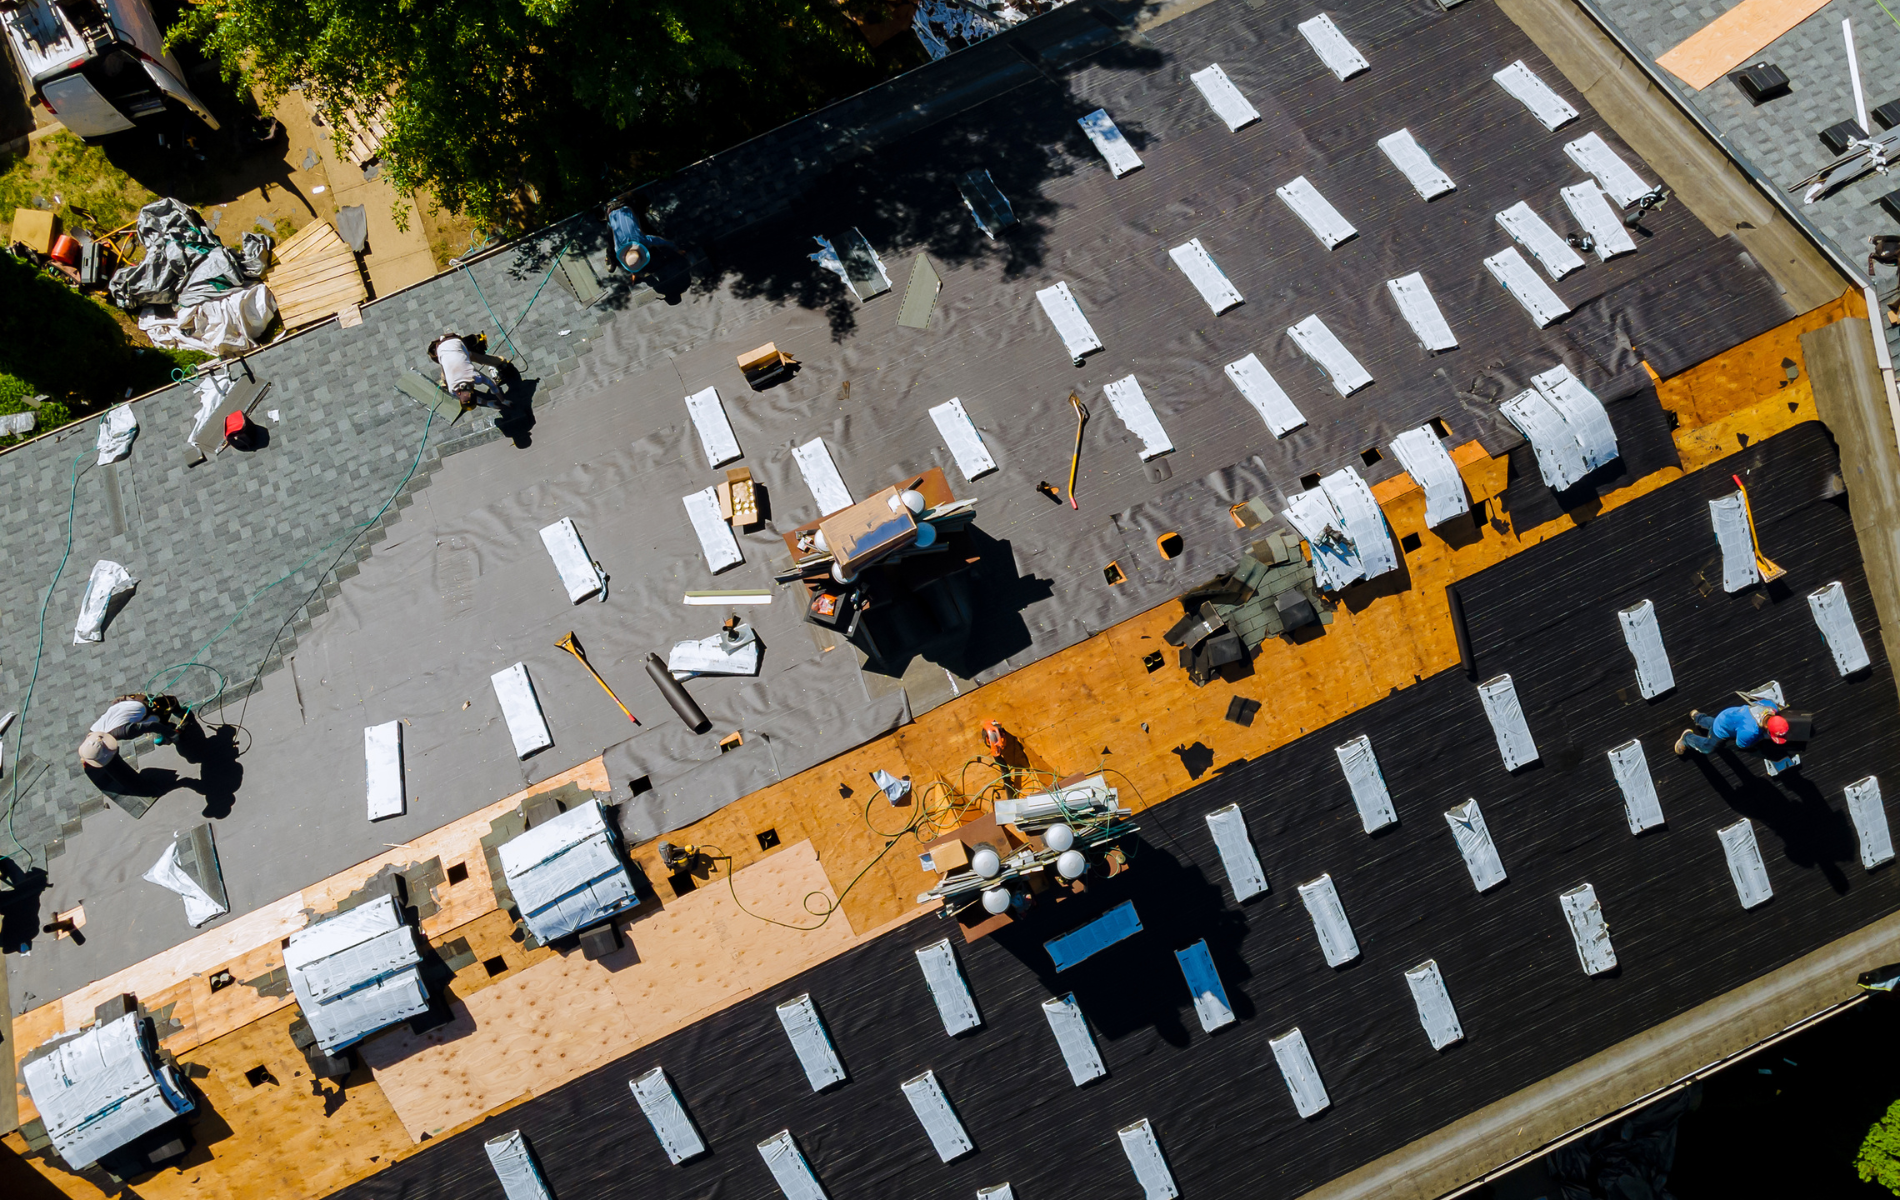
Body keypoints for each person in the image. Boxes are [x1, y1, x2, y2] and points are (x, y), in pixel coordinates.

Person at [78, 694, 175, 789]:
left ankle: (167, 726)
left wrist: (172, 734)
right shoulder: (93, 733)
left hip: (144, 707)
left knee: (156, 722)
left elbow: (152, 726)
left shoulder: (126, 731)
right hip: (122, 702)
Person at [1675, 702, 1797, 772]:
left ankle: (1697, 717)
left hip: (1728, 715)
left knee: (1717, 723)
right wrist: (1760, 738)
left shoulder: (1770, 707)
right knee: (1709, 747)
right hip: (1723, 728)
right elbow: (1740, 744)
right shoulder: (1750, 732)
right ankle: (1687, 738)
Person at [427, 332, 511, 412]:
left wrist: (500, 401)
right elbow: (491, 386)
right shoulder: (452, 389)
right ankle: (499, 361)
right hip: (441, 348)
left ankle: (501, 361)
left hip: (451, 344)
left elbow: (492, 385)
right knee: (446, 374)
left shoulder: (475, 376)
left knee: (474, 357)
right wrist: (495, 401)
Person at [605, 199, 679, 283]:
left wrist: (676, 249)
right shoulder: (619, 248)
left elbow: (661, 241)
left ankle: (610, 257)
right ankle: (610, 257)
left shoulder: (641, 240)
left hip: (619, 208)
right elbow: (661, 241)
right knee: (610, 241)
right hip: (612, 211)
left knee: (611, 239)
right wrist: (676, 249)